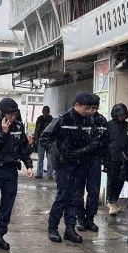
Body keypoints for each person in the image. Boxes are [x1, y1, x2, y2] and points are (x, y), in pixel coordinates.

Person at [39, 92, 109, 244]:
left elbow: (93, 141)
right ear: (76, 105)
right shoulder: (62, 119)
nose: (90, 111)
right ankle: (53, 228)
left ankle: (70, 229)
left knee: (75, 196)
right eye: (87, 108)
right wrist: (57, 154)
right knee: (63, 196)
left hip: (80, 164)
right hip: (64, 165)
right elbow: (45, 138)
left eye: (92, 108)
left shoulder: (88, 122)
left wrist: (85, 151)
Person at [0, 97, 34, 252]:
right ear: (3, 113)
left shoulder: (18, 125)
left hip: (11, 170)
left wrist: (29, 165)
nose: (13, 116)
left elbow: (24, 147)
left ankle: (0, 235)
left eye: (14, 113)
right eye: (10, 114)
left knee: (7, 204)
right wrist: (3, 132)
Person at [104, 103, 128, 216]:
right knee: (112, 181)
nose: (122, 116)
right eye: (120, 114)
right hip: (112, 158)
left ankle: (114, 201)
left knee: (121, 180)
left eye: (124, 114)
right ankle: (111, 202)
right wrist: (105, 158)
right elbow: (105, 142)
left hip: (125, 159)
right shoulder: (109, 125)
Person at [32, 106, 54, 179]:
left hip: (49, 142)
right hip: (41, 141)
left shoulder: (52, 120)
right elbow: (36, 130)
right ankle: (39, 173)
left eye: (46, 111)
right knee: (40, 159)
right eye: (44, 111)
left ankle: (49, 174)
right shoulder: (39, 119)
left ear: (49, 112)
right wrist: (35, 139)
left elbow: (53, 130)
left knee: (49, 159)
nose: (45, 112)